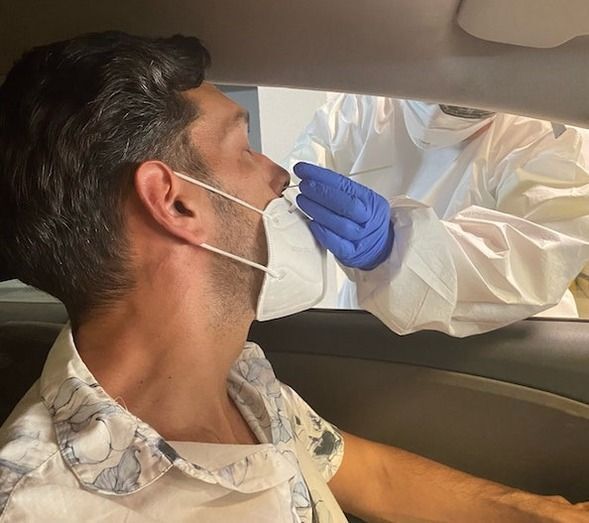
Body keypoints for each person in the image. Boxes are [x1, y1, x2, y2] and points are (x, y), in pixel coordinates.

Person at [1, 32, 588, 523]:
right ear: (175, 202)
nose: (280, 176)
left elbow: (376, 478)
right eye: (245, 148)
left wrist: (540, 512)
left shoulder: (240, 378)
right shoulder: (40, 504)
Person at [287, 96, 589, 336]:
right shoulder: (360, 109)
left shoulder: (551, 134)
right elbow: (289, 193)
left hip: (504, 341)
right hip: (372, 326)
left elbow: (535, 261)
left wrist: (395, 248)